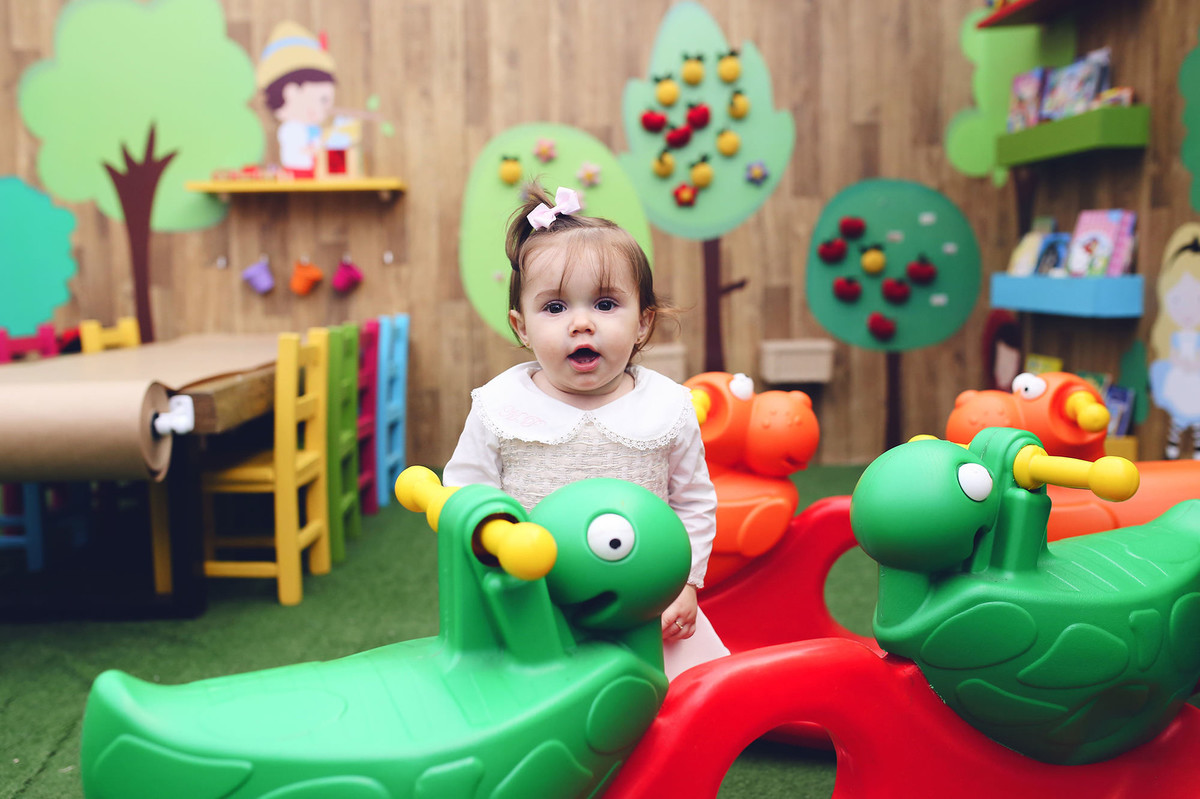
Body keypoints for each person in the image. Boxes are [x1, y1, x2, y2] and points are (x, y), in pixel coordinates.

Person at [443, 185, 727, 679]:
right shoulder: (499, 406)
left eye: (604, 304)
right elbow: (464, 495)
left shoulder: (667, 407)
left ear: (643, 322)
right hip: (533, 603)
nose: (580, 324)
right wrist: (497, 549)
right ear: (521, 326)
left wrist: (684, 584)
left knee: (669, 711)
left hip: (641, 603)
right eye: (554, 308)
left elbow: (693, 502)